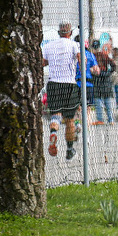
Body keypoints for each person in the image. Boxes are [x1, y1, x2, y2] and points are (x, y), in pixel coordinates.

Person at [42, 22, 82, 160]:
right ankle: (70, 150)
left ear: (58, 33)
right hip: (69, 84)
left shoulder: (49, 46)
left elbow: (43, 62)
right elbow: (80, 58)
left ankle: (54, 132)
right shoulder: (73, 45)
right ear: (70, 33)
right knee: (70, 119)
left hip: (53, 83)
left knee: (56, 115)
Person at [90, 39, 115, 125]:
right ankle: (111, 119)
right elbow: (113, 65)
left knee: (98, 100)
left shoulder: (91, 56)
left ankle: (100, 119)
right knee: (107, 100)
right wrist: (108, 73)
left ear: (92, 47)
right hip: (105, 79)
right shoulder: (104, 55)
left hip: (96, 79)